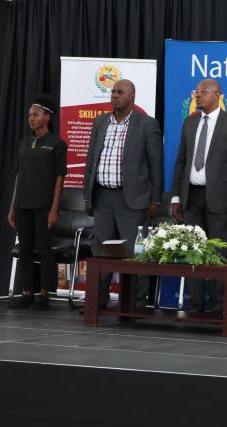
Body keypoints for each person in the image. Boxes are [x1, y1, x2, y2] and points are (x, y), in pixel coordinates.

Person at [171, 79, 227, 312]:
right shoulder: (189, 122)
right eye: (196, 92)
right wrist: (176, 197)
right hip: (191, 196)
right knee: (193, 250)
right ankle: (196, 303)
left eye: (203, 92)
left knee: (217, 252)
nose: (198, 96)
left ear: (217, 95)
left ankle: (218, 305)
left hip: (221, 199)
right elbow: (181, 161)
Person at [83, 79, 163, 308]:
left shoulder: (146, 124)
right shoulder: (100, 122)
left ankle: (135, 305)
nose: (114, 95)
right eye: (112, 91)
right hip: (103, 198)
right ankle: (97, 303)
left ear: (132, 97)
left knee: (135, 254)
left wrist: (155, 199)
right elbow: (91, 161)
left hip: (133, 200)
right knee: (101, 253)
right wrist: (88, 196)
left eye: (120, 92)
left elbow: (156, 164)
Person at [7, 95, 67, 310]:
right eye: (29, 115)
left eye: (36, 115)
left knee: (43, 249)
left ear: (47, 117)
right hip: (23, 204)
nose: (31, 118)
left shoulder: (57, 144)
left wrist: (54, 209)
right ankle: (27, 293)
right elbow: (18, 176)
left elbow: (60, 177)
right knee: (24, 249)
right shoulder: (25, 142)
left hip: (43, 205)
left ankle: (44, 295)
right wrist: (12, 207)